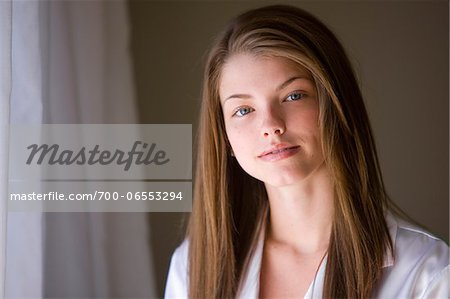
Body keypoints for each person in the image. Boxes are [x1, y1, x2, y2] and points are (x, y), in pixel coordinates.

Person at [165, 4, 449, 298]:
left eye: (293, 95)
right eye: (243, 109)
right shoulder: (190, 267)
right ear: (223, 137)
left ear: (337, 105)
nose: (270, 125)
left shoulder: (426, 273)